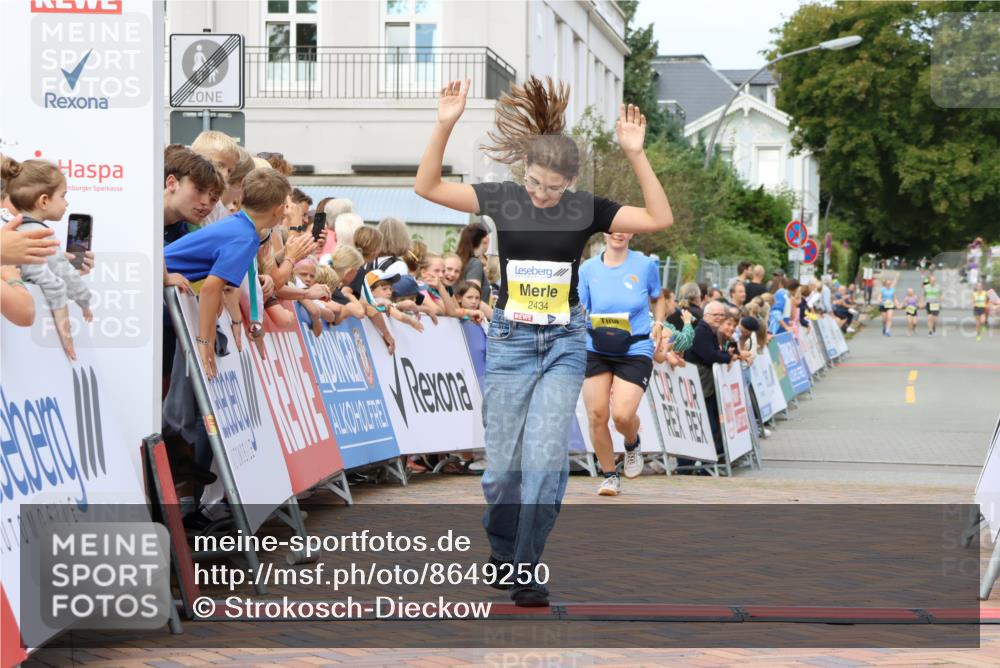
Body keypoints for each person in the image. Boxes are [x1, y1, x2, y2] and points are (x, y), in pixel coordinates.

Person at [414, 77, 673, 607]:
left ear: (570, 182)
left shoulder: (586, 209)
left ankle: (528, 566)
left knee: (546, 457)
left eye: (552, 188)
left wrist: (636, 154)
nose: (541, 194)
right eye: (534, 183)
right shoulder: (505, 199)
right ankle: (504, 551)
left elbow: (658, 218)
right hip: (510, 341)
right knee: (503, 467)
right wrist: (444, 124)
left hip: (564, 342)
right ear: (522, 174)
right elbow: (428, 187)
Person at [578, 231, 665, 497]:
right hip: (596, 346)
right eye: (613, 227)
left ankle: (632, 441)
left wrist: (659, 323)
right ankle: (609, 476)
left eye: (625, 227)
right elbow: (581, 308)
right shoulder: (588, 268)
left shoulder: (645, 265)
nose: (619, 233)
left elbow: (658, 297)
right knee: (597, 415)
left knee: (622, 416)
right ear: (605, 231)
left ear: (633, 231)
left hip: (635, 346)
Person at [2, 156, 93, 360]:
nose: (66, 202)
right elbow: (58, 281)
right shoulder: (39, 237)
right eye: (63, 195)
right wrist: (83, 303)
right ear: (44, 200)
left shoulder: (9, 231)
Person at [682, 301, 747, 468]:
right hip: (701, 385)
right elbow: (710, 356)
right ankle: (700, 464)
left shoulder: (708, 330)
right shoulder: (701, 331)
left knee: (712, 424)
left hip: (705, 384)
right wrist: (727, 357)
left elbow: (713, 353)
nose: (719, 318)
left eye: (721, 315)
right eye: (716, 315)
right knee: (707, 425)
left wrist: (725, 355)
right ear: (706, 315)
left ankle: (709, 463)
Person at [456, 222, 491, 302]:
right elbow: (471, 297)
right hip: (474, 313)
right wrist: (493, 314)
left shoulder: (459, 260)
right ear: (485, 239)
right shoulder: (475, 264)